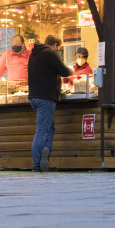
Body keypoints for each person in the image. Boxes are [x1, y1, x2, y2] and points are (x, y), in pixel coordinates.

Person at [27, 35, 71, 172]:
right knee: (42, 130)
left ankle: (45, 153)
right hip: (46, 97)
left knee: (49, 128)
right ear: (56, 45)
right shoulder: (50, 53)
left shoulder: (34, 54)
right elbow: (64, 71)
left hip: (34, 97)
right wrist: (72, 70)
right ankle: (36, 164)